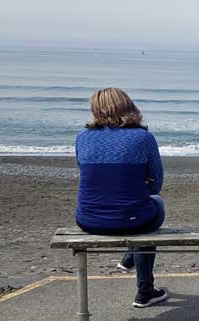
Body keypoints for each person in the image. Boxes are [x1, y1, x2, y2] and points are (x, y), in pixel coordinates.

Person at [75, 87, 168, 308]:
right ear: (128, 106)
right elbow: (156, 184)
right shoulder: (143, 137)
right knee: (155, 206)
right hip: (134, 219)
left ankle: (129, 259)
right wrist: (135, 186)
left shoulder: (82, 138)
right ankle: (145, 291)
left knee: (136, 212)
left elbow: (90, 176)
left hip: (88, 220)